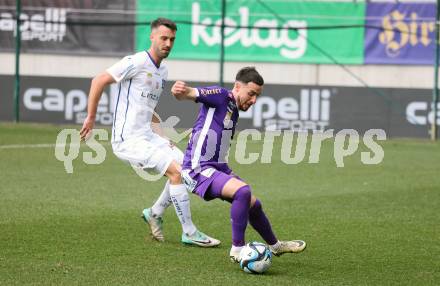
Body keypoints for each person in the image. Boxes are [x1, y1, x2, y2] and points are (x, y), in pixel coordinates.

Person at [79, 18, 220, 247]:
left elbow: (148, 109)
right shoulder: (135, 61)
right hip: (128, 141)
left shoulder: (162, 70)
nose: (168, 43)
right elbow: (99, 80)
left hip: (147, 136)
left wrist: (163, 137)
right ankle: (189, 232)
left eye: (172, 39)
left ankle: (154, 213)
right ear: (152, 37)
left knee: (186, 168)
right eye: (164, 38)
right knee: (176, 172)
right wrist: (91, 117)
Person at [171, 67, 306, 262]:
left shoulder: (233, 110)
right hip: (197, 169)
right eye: (251, 94)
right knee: (242, 191)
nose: (254, 100)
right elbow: (189, 93)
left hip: (216, 167)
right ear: (237, 86)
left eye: (257, 96)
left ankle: (275, 246)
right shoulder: (220, 96)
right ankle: (237, 250)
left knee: (253, 203)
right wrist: (180, 91)